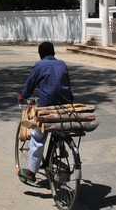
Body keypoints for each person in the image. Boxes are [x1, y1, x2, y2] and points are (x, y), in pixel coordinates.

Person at [17, 41, 74, 184]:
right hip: (66, 106)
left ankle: (31, 172)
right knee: (59, 129)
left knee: (37, 136)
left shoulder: (39, 65)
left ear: (40, 55)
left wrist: (24, 96)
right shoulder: (62, 64)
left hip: (47, 107)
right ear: (54, 53)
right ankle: (60, 147)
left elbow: (30, 84)